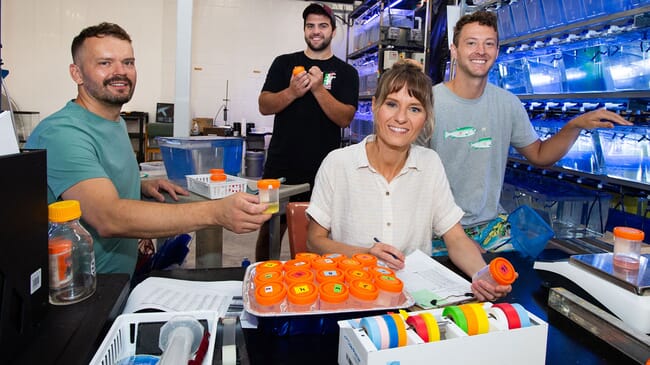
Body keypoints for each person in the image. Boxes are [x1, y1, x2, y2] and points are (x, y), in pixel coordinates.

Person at [25, 22, 271, 275]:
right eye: (105, 63)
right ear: (76, 73)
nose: (120, 72)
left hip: (121, 280)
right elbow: (108, 217)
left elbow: (94, 180)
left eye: (128, 62)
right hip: (81, 292)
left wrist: (137, 186)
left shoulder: (114, 122)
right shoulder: (62, 133)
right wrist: (216, 212)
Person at [418, 11, 632, 254]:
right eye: (471, 43)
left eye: (489, 44)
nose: (481, 51)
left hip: (490, 231)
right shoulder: (428, 103)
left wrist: (575, 125)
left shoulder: (508, 104)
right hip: (438, 231)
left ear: (497, 52)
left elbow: (540, 155)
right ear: (454, 50)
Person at [306, 61, 510, 302]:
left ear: (426, 117)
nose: (401, 118)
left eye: (414, 109)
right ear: (374, 106)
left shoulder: (430, 164)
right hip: (352, 293)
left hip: (414, 299)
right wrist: (366, 254)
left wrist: (482, 274)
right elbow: (314, 240)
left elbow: (455, 238)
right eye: (392, 104)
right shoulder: (338, 163)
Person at [255, 3, 359, 261]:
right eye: (310, 26)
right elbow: (264, 105)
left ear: (333, 31)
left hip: (324, 171)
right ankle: (263, 280)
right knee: (268, 229)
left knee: (315, 237)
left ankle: (308, 287)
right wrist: (292, 91)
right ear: (304, 30)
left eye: (322, 26)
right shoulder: (283, 63)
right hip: (278, 168)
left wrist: (318, 89)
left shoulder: (347, 72)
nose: (316, 31)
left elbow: (345, 118)